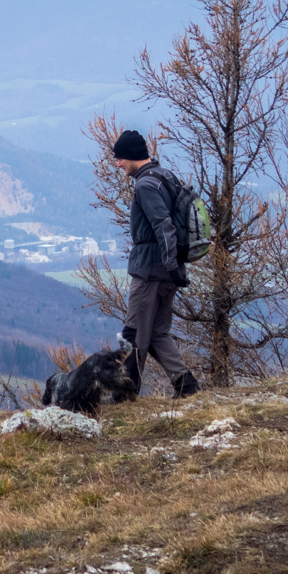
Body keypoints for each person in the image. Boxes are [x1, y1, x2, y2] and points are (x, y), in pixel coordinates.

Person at [113, 129, 200, 398]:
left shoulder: (146, 185)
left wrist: (170, 265)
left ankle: (125, 394)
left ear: (131, 157)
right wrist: (174, 268)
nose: (118, 164)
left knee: (133, 333)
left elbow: (164, 226)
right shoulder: (164, 176)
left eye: (120, 159)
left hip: (151, 271)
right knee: (156, 334)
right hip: (166, 271)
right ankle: (187, 387)